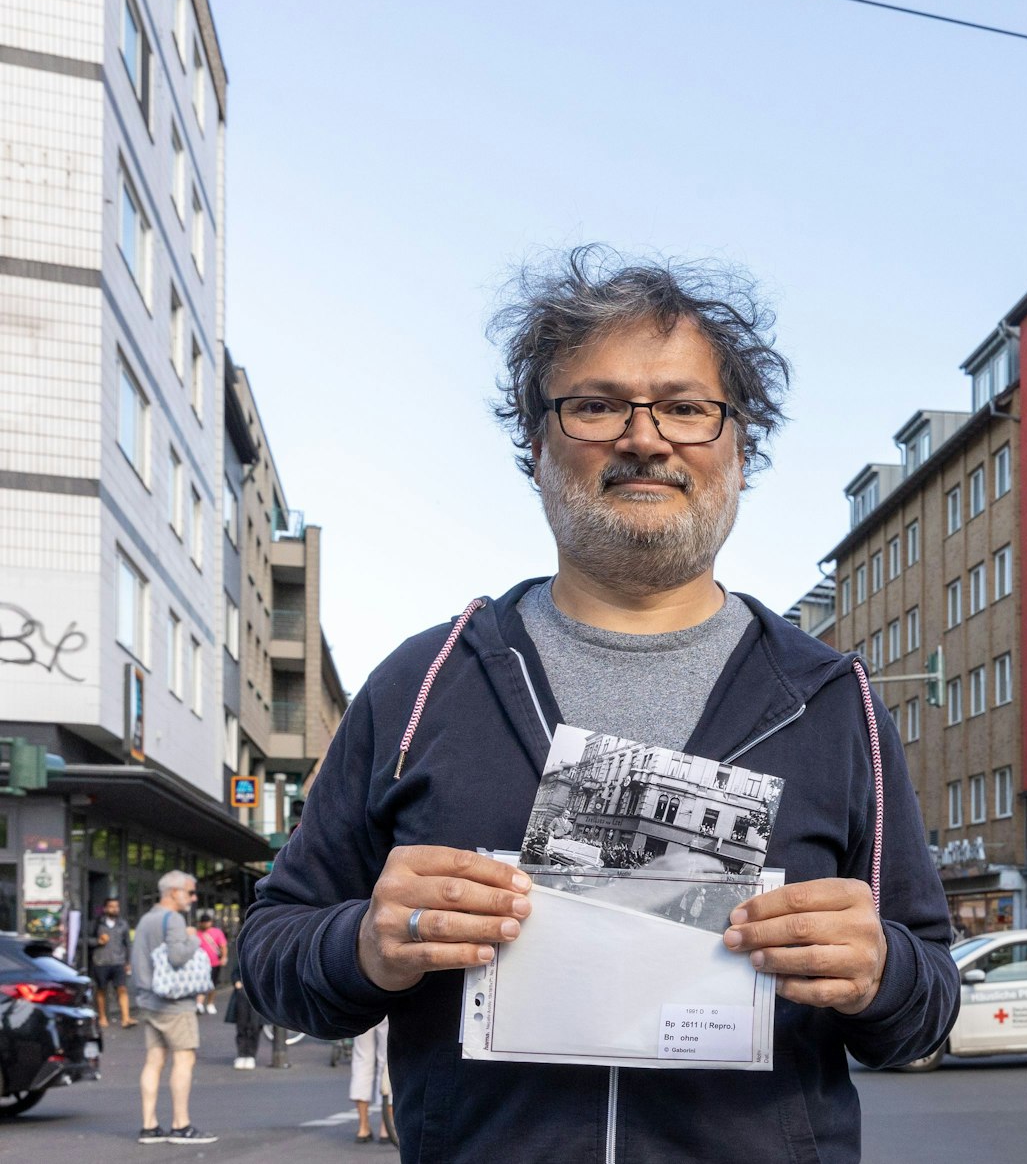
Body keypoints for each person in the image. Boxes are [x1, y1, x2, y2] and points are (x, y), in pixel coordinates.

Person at [239, 250, 957, 1162]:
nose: (645, 438)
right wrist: (365, 944)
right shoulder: (422, 685)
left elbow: (927, 1004)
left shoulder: (832, 701)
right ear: (537, 446)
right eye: (597, 404)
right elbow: (273, 949)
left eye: (686, 408)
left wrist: (882, 971)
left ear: (741, 450)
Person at [131, 871, 219, 1145]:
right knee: (184, 1059)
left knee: (154, 1061)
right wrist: (193, 938)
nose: (193, 898)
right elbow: (178, 956)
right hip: (175, 1003)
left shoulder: (146, 919)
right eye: (190, 892)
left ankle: (149, 1126)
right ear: (173, 892)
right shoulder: (174, 919)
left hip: (149, 1000)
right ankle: (181, 1125)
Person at [349, 1020, 396, 1146]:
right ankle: (386, 1128)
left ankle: (363, 1128)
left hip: (361, 1009)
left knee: (361, 1059)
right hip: (388, 1011)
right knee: (388, 1058)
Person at [91, 898, 135, 1030]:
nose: (115, 909)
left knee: (122, 988)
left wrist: (128, 961)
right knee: (101, 990)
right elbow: (85, 940)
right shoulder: (97, 924)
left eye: (116, 906)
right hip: (101, 961)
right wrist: (98, 941)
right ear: (105, 909)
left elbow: (127, 944)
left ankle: (126, 1018)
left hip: (118, 962)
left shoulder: (123, 924)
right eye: (111, 906)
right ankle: (102, 1017)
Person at [192, 911, 227, 1015]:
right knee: (201, 983)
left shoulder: (217, 932)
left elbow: (223, 946)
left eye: (208, 922)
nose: (206, 924)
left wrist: (224, 957)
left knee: (212, 984)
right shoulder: (196, 934)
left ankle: (210, 1003)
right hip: (200, 964)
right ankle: (199, 1004)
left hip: (214, 963)